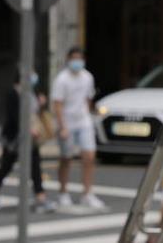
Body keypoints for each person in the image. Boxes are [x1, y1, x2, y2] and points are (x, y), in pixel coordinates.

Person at [0, 70, 56, 212]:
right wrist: (27, 128)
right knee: (6, 166)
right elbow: (14, 116)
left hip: (32, 138)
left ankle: (40, 197)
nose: (33, 78)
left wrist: (42, 104)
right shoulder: (13, 93)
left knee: (35, 167)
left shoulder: (32, 93)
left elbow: (36, 113)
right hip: (15, 138)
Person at [51, 46, 105, 208]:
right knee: (66, 158)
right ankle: (63, 192)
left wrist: (89, 115)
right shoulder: (61, 79)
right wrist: (62, 127)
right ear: (68, 60)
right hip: (67, 122)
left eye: (80, 59)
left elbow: (88, 99)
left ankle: (87, 193)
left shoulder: (87, 77)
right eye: (74, 59)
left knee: (89, 157)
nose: (77, 62)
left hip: (83, 122)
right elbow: (57, 104)